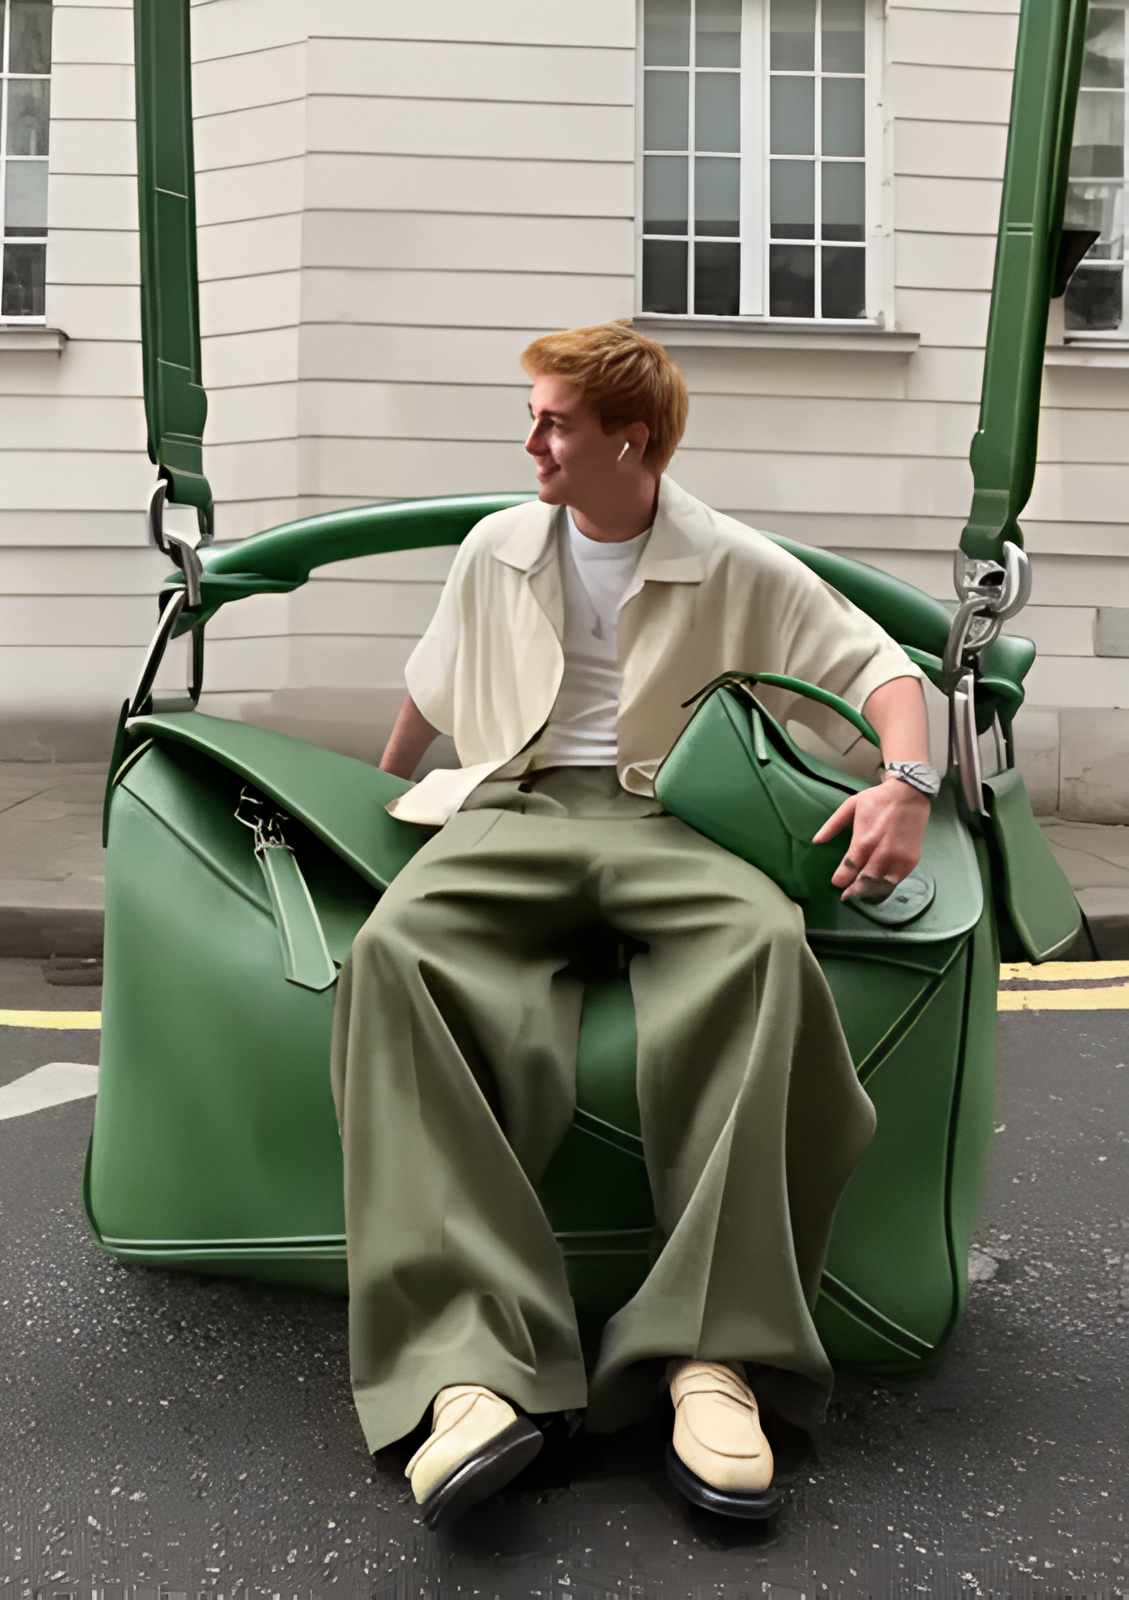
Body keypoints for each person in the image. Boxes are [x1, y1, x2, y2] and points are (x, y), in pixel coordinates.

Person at [329, 321, 935, 1528]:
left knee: (764, 949)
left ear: (632, 440)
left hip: (674, 817)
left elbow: (880, 669)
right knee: (394, 952)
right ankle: (466, 1366)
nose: (532, 442)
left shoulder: (732, 559)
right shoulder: (500, 546)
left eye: (554, 422)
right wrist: (364, 797)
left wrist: (905, 786)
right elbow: (430, 690)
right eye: (534, 418)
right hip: (516, 803)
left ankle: (716, 1353)